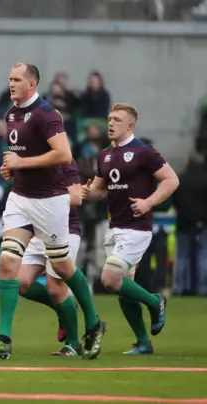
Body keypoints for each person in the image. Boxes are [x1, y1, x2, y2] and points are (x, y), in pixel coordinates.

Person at [0, 63, 106, 360]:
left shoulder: (46, 114)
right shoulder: (11, 114)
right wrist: (11, 169)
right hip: (20, 198)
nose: (11, 84)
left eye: (17, 79)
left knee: (62, 270)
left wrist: (21, 164)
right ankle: (3, 338)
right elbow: (20, 156)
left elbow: (63, 154)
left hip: (50, 202)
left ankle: (93, 323)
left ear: (32, 84)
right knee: (8, 261)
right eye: (9, 79)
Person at [82, 103, 179, 355]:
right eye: (109, 118)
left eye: (116, 119)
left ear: (130, 125)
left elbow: (171, 180)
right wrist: (86, 192)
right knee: (123, 288)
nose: (111, 123)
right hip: (115, 227)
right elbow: (101, 190)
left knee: (109, 279)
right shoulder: (104, 155)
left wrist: (149, 202)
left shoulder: (144, 152)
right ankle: (143, 342)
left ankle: (154, 301)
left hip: (137, 228)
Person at [16, 161, 83, 356]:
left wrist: (47, 200)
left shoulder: (65, 161)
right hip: (38, 231)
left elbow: (77, 197)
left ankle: (73, 343)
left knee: (55, 287)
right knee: (20, 282)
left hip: (65, 230)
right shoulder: (31, 160)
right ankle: (64, 309)